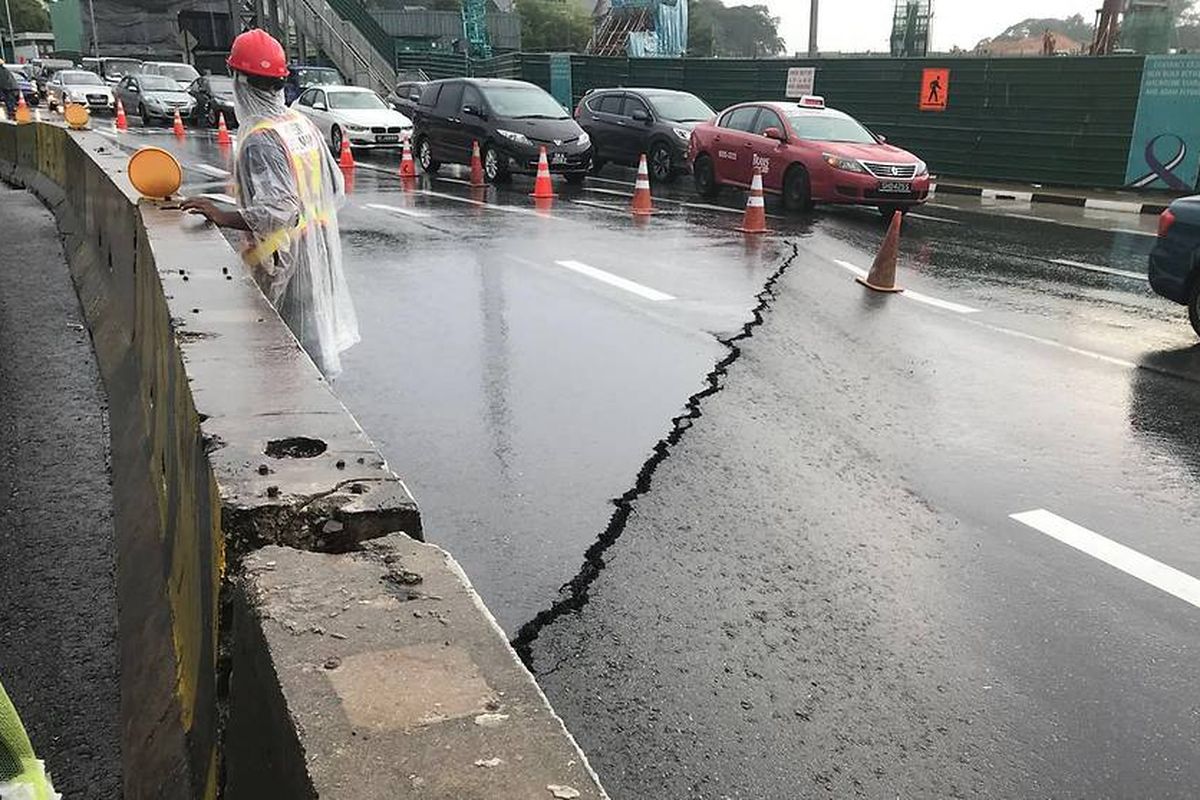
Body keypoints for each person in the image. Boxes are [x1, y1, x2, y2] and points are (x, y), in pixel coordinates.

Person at [181, 29, 359, 377]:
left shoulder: (262, 138)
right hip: (315, 253)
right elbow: (335, 185)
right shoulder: (298, 123)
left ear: (240, 80)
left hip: (286, 262)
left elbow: (278, 211)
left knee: (291, 362)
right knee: (309, 353)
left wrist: (224, 215)